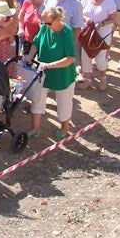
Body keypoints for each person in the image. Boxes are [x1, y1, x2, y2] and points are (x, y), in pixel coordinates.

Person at [25, 7, 79, 140]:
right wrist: (30, 55)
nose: (45, 25)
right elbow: (36, 42)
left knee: (63, 101)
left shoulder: (67, 32)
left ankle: (65, 127)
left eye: (48, 23)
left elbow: (70, 58)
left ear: (57, 20)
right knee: (37, 98)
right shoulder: (45, 27)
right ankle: (35, 128)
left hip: (63, 74)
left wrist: (50, 65)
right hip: (43, 72)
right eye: (43, 22)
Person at [78, 0, 115, 92]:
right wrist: (85, 19)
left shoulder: (109, 0)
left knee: (100, 59)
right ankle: (88, 80)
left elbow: (113, 19)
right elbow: (80, 12)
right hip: (87, 33)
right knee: (86, 55)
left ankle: (103, 77)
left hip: (102, 34)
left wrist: (102, 23)